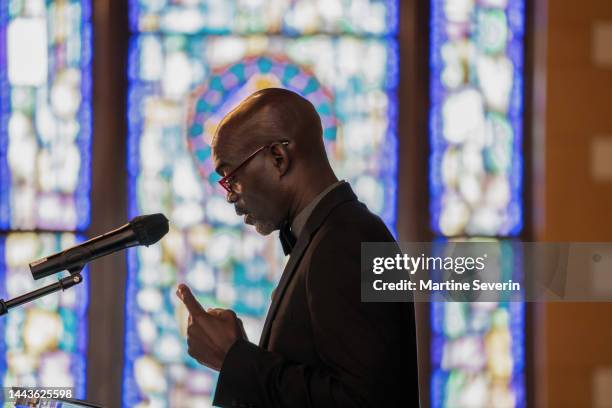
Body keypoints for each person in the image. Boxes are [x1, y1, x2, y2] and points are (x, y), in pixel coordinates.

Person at [176, 88, 420, 407]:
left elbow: (364, 401)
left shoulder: (349, 239)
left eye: (230, 176)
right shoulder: (327, 235)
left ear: (278, 157)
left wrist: (235, 359)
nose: (230, 196)